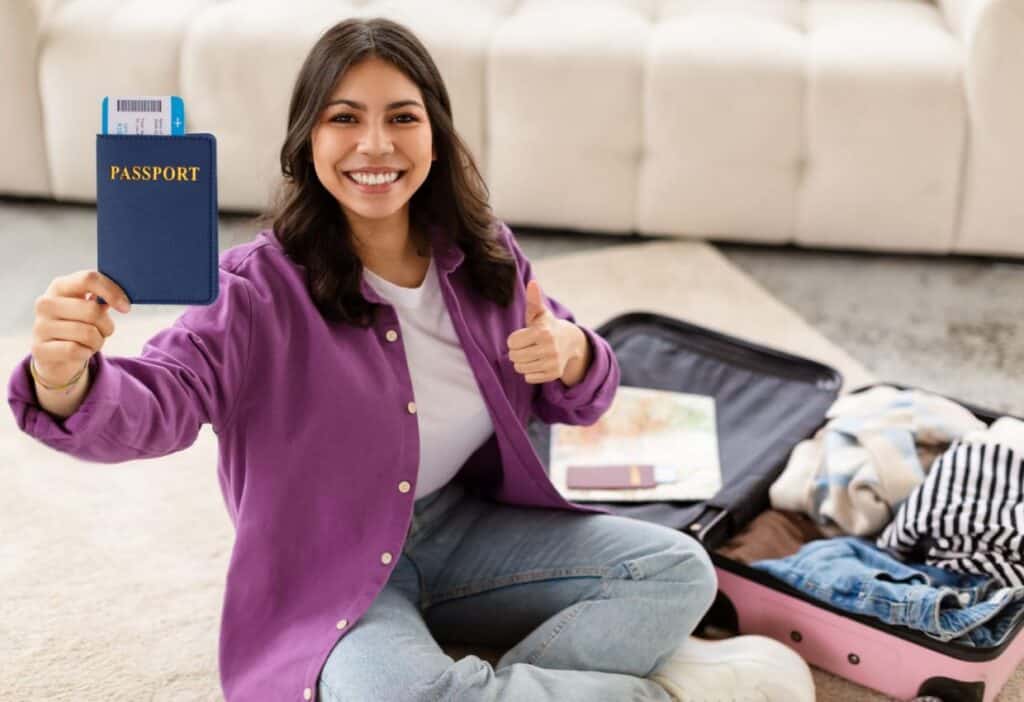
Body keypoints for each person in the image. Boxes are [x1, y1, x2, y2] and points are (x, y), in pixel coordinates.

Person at [8, 16, 815, 702]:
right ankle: (660, 691)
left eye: (402, 117)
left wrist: (573, 354)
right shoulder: (253, 290)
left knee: (678, 570)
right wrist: (63, 376)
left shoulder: (484, 255)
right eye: (343, 118)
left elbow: (581, 395)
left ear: (434, 134)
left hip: (467, 529)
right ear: (306, 141)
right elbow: (159, 400)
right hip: (334, 565)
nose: (374, 144)